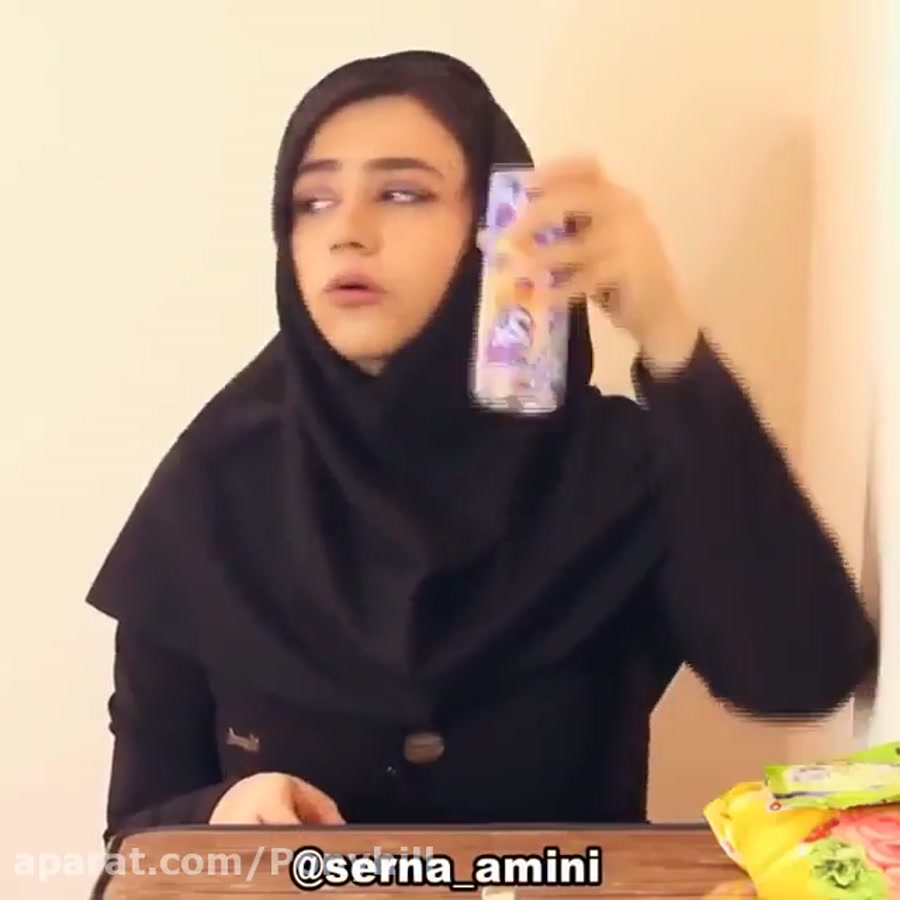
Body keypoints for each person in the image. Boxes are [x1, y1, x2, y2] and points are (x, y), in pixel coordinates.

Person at [86, 50, 877, 842]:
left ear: (493, 234)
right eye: (312, 201)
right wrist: (218, 815)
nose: (347, 233)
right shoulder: (217, 486)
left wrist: (668, 334)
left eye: (402, 193)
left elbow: (800, 675)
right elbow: (133, 838)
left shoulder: (603, 470)